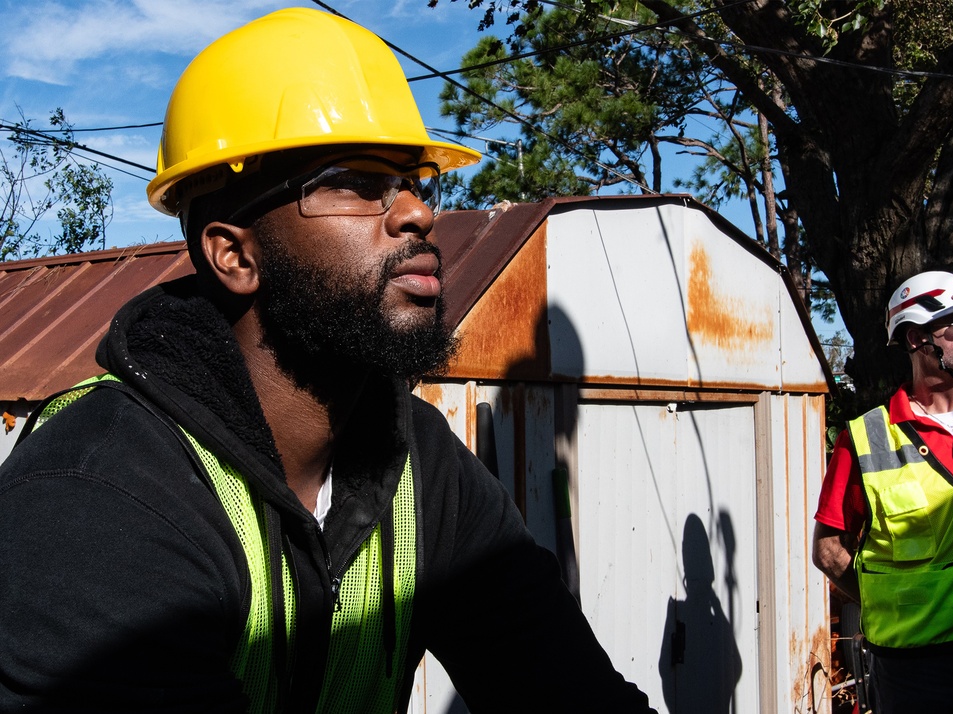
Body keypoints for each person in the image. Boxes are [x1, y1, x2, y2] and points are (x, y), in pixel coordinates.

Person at [0, 9, 654, 713]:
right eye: (355, 181)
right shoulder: (93, 497)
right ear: (236, 254)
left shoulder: (419, 464)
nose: (417, 213)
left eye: (413, 180)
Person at [812, 270, 953, 714]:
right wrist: (898, 601)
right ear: (916, 338)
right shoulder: (867, 438)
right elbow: (831, 553)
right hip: (918, 676)